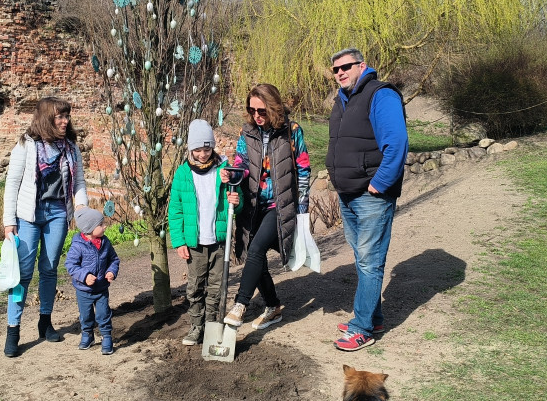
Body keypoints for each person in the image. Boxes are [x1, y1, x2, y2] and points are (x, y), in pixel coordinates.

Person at [326, 48, 409, 352]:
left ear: (362, 65)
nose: (340, 73)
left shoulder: (381, 95)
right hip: (348, 193)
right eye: (335, 69)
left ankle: (362, 329)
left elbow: (397, 142)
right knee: (364, 258)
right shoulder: (342, 99)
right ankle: (371, 318)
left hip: (370, 194)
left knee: (370, 261)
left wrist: (380, 183)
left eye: (346, 67)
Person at [1, 96, 89, 358]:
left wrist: (81, 207)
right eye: (59, 117)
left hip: (57, 213)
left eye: (67, 116)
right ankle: (13, 329)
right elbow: (12, 185)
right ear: (45, 119)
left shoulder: (70, 147)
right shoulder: (25, 146)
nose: (65, 121)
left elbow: (79, 182)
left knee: (49, 269)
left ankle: (45, 322)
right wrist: (9, 222)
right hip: (29, 215)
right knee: (23, 273)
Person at [222, 84, 311, 330]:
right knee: (255, 257)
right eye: (252, 110)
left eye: (261, 111)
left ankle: (240, 306)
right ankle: (273, 306)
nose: (256, 116)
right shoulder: (247, 132)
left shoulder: (291, 132)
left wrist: (302, 207)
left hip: (279, 204)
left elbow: (303, 169)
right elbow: (241, 163)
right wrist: (231, 174)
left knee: (257, 248)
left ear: (273, 107)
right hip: (252, 204)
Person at [167, 119, 242, 346]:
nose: (202, 154)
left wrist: (235, 200)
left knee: (216, 287)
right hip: (195, 243)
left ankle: (211, 326)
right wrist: (179, 241)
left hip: (219, 241)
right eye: (197, 149)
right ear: (190, 149)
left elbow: (236, 203)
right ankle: (196, 325)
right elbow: (176, 210)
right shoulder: (182, 174)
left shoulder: (223, 171)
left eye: (207, 149)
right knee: (195, 287)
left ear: (213, 147)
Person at [64, 207, 120, 355]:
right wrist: (84, 276)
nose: (105, 226)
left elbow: (114, 259)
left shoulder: (105, 243)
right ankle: (87, 335)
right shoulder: (78, 246)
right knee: (86, 315)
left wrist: (111, 271)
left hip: (101, 288)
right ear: (89, 228)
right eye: (101, 224)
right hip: (84, 290)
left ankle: (107, 337)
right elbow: (70, 265)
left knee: (104, 314)